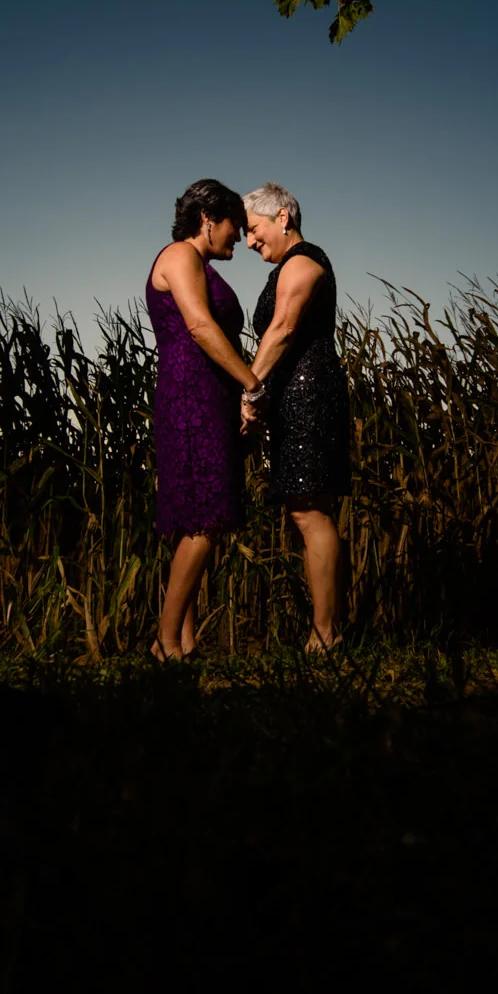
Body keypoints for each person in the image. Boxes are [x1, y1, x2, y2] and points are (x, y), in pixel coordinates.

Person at [145, 179, 262, 661]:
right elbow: (198, 325)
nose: (240, 236)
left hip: (207, 394)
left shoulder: (197, 262)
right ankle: (166, 643)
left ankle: (185, 642)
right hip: (191, 397)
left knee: (197, 517)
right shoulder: (180, 255)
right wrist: (253, 383)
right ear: (208, 219)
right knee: (204, 519)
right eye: (236, 225)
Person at [241, 182, 351, 652]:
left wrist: (251, 389)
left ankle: (326, 635)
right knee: (304, 512)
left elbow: (283, 329)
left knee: (310, 512)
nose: (249, 241)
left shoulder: (304, 261)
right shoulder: (286, 266)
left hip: (310, 396)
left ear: (282, 217)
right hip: (293, 397)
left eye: (253, 229)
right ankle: (328, 629)